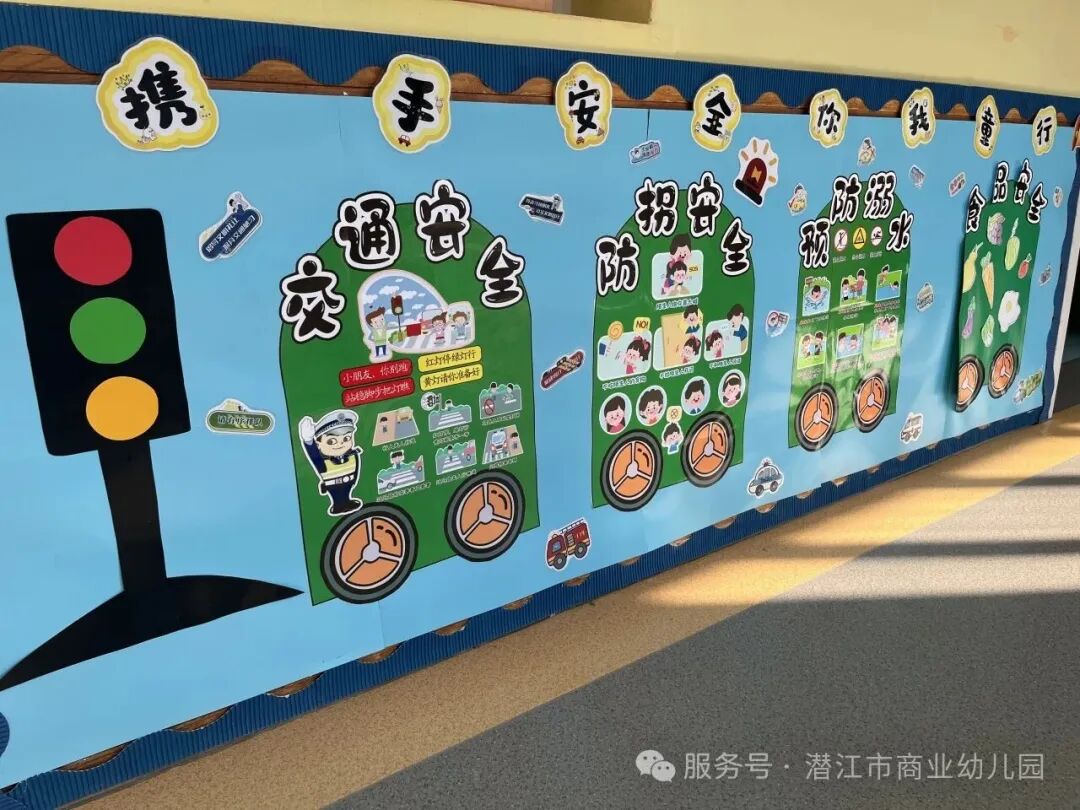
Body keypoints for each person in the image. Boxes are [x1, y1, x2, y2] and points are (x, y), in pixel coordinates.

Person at [298, 410, 363, 516]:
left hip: (349, 483)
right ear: (319, 444)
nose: (340, 444)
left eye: (346, 438)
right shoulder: (324, 463)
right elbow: (314, 456)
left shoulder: (352, 455)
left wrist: (354, 481)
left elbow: (356, 468)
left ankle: (347, 502)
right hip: (333, 486)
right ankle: (338, 505)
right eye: (331, 441)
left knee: (346, 493)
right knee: (337, 496)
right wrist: (309, 441)